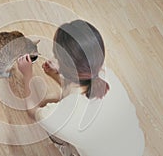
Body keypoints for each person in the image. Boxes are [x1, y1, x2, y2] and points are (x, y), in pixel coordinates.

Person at [17, 20, 145, 156]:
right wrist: (57, 74)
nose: (53, 58)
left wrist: (27, 74)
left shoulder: (57, 117)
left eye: (56, 55)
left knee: (54, 131)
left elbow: (32, 111)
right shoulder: (108, 75)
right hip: (135, 147)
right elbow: (82, 92)